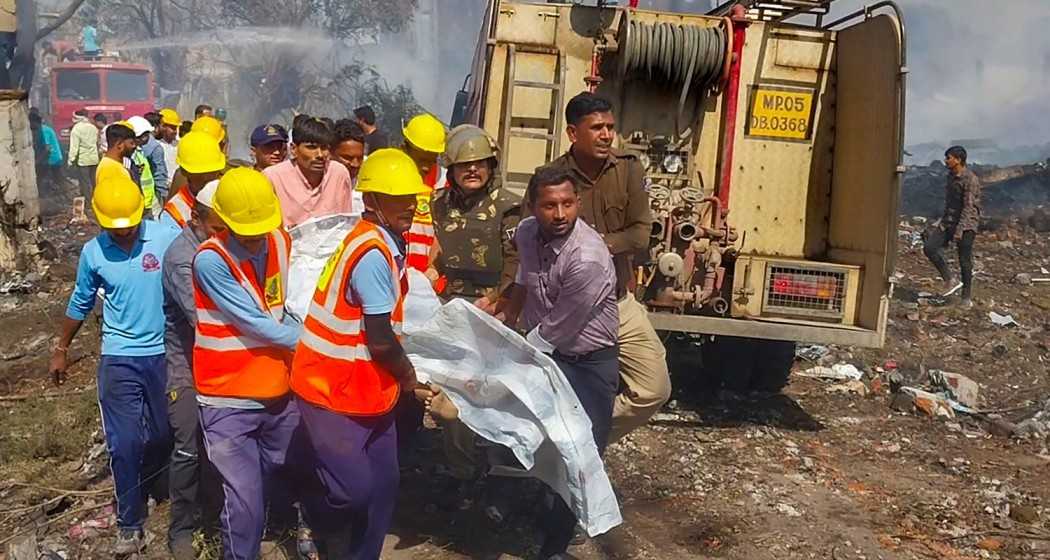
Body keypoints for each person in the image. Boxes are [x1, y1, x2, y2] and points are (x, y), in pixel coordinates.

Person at [290, 149, 426, 558]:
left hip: (366, 389)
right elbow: (382, 340)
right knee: (353, 491)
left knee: (384, 487)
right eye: (398, 198)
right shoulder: (371, 253)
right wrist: (410, 379)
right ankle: (311, 512)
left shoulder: (382, 243)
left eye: (413, 197)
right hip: (331, 391)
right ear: (371, 202)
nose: (411, 206)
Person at [480, 167, 619, 559]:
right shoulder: (525, 232)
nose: (560, 214)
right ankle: (507, 500)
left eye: (568, 204)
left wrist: (513, 352)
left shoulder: (587, 258)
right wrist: (505, 314)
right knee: (518, 429)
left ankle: (554, 545)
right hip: (544, 352)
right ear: (532, 207)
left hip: (588, 363)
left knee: (578, 453)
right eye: (550, 205)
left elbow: (559, 328)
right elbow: (525, 278)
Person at [48, 173, 181, 554]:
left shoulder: (164, 237)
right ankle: (130, 522)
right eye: (115, 230)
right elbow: (81, 301)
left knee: (162, 433)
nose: (124, 234)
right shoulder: (93, 252)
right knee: (123, 442)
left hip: (163, 355)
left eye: (130, 228)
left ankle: (157, 482)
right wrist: (61, 347)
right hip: (119, 357)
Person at [535, 92, 670, 443]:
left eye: (610, 127)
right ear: (572, 133)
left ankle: (581, 438)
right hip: (565, 309)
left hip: (618, 303)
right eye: (597, 128)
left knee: (654, 389)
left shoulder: (628, 169)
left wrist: (594, 247)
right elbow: (528, 237)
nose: (607, 135)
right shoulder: (553, 178)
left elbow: (641, 234)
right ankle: (564, 448)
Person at [192, 168, 301, 559]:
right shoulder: (210, 260)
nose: (255, 238)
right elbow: (256, 323)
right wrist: (319, 344)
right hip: (229, 399)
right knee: (245, 503)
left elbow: (290, 304)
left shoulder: (280, 241)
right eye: (245, 229)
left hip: (280, 393)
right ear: (221, 220)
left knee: (282, 475)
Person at [162, 180, 226, 558]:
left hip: (220, 361)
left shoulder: (219, 248)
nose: (223, 236)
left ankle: (219, 515)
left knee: (222, 446)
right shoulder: (181, 257)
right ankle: (181, 529)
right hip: (186, 366)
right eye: (217, 229)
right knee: (187, 446)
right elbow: (204, 319)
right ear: (197, 219)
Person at [264, 117, 352, 228]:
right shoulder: (273, 177)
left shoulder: (338, 174)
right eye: (311, 147)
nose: (320, 155)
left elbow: (346, 224)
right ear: (293, 149)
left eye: (324, 148)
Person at [924, 145, 981, 307]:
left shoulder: (970, 179)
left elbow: (968, 207)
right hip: (949, 221)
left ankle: (966, 297)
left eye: (949, 158)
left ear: (958, 160)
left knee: (964, 260)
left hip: (967, 224)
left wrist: (960, 229)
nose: (946, 161)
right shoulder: (950, 177)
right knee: (929, 247)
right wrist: (942, 223)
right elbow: (950, 203)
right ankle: (950, 279)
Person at [401, 113, 447, 276]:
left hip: (432, 280)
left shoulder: (446, 184)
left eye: (432, 160)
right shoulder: (392, 180)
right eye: (420, 160)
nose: (426, 168)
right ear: (404, 149)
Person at [160, 131, 226, 230]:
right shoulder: (175, 213)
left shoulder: (230, 196)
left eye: (213, 172)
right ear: (184, 172)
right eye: (201, 173)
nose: (208, 178)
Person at [127, 116, 163, 218]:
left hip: (148, 200)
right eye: (146, 135)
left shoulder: (140, 152)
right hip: (139, 203)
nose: (148, 138)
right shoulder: (132, 156)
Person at [130, 115, 170, 206]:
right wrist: (164, 195)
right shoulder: (151, 148)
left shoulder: (138, 152)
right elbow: (159, 174)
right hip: (143, 200)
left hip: (145, 199)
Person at [331, 119, 366, 211]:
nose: (355, 164)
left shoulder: (371, 178)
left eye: (360, 158)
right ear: (330, 153)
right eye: (348, 158)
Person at [67, 109, 100, 198]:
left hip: (83, 161)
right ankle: (97, 200)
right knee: (94, 182)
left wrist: (70, 161)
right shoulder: (93, 127)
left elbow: (74, 147)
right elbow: (97, 143)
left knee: (85, 183)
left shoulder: (76, 129)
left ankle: (88, 203)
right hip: (94, 159)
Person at [96, 122, 135, 187]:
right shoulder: (109, 169)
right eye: (131, 143)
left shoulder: (115, 165)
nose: (134, 146)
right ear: (119, 144)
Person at [157, 108, 181, 183]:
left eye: (176, 128)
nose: (175, 131)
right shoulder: (157, 146)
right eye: (172, 128)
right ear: (163, 126)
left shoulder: (179, 144)